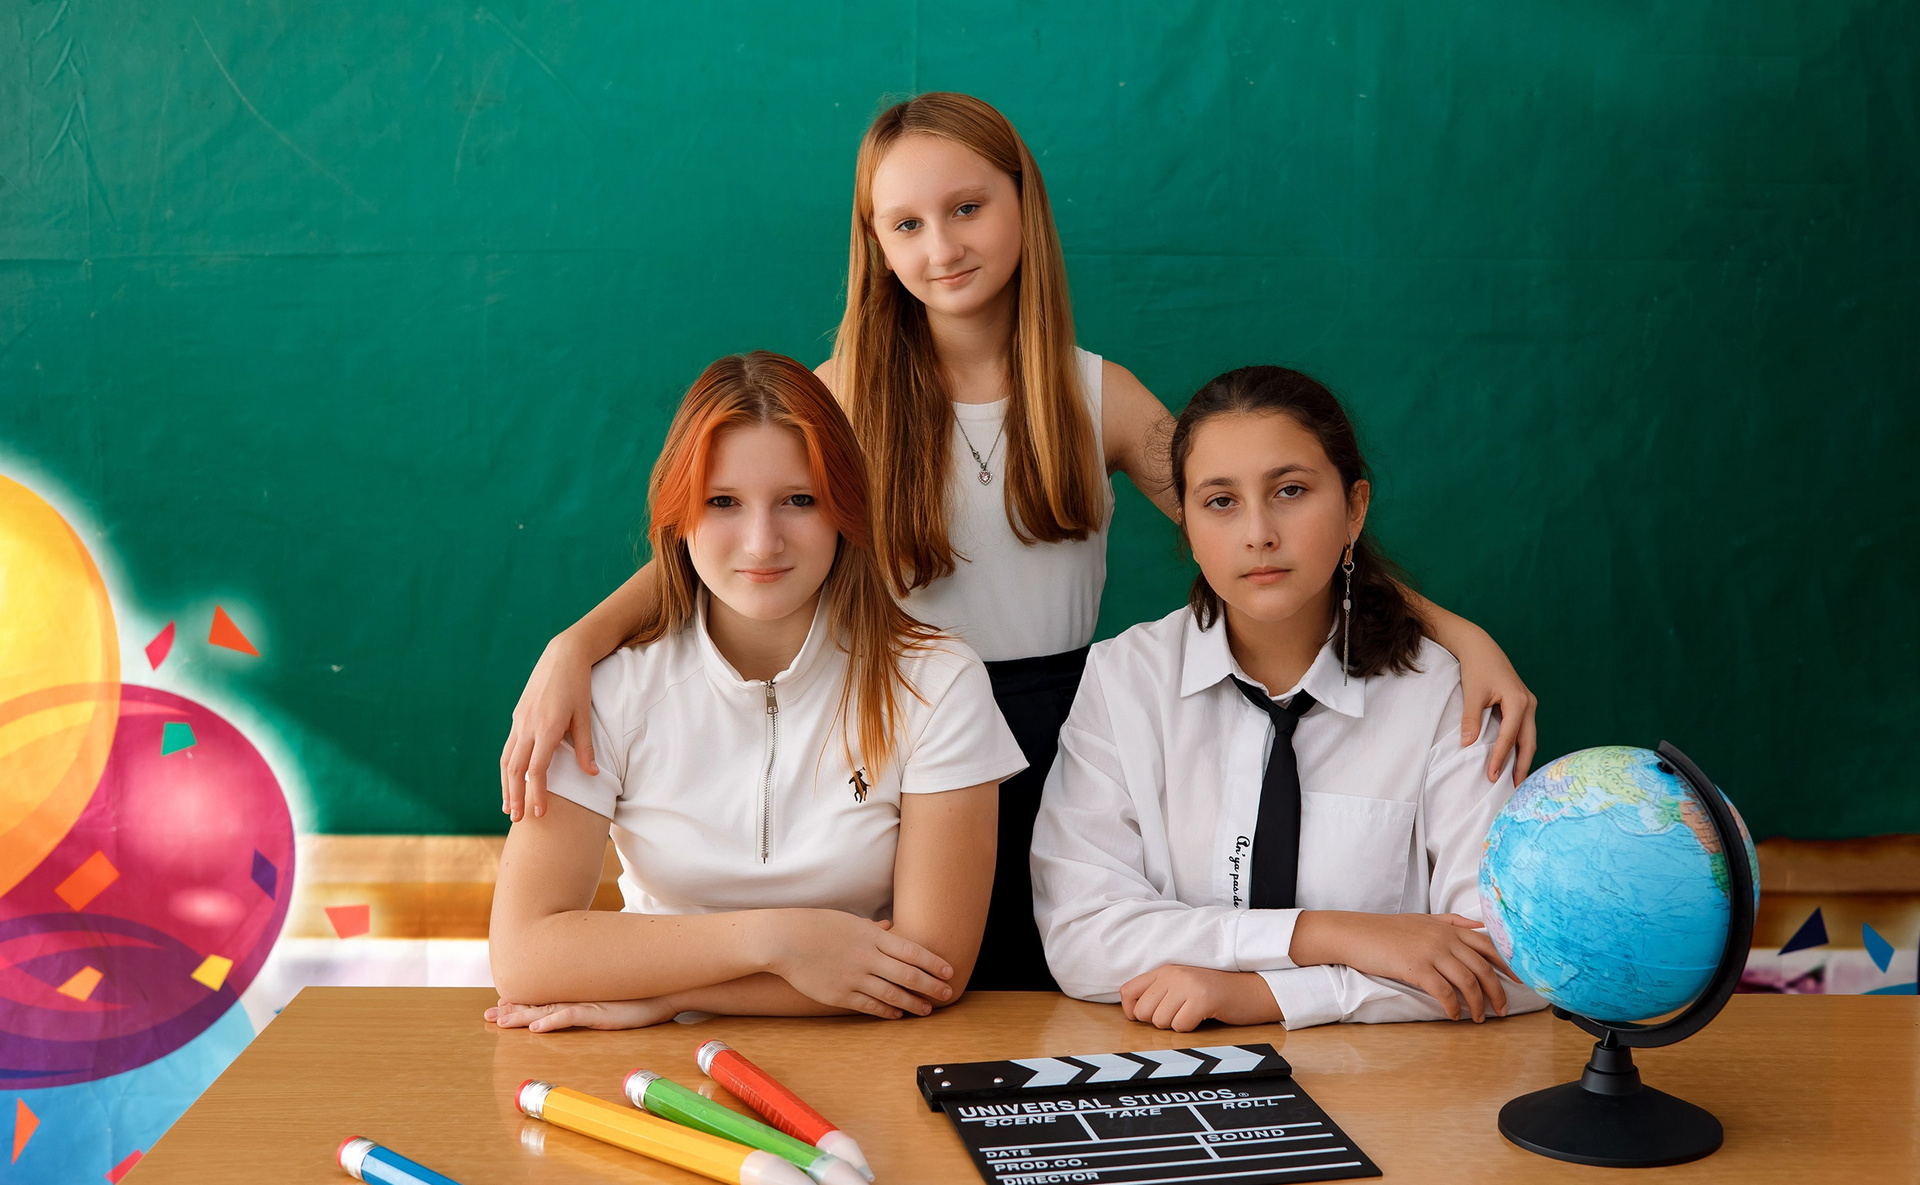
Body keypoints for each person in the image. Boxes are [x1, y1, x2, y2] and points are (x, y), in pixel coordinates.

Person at [499, 93, 1539, 992]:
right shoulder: (839, 396)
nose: (941, 247)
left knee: (1051, 1003)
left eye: (967, 208)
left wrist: (1456, 633)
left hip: (1065, 734)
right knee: (918, 990)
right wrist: (575, 645)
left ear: (1023, 204)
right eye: (906, 224)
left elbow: (1257, 535)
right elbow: (728, 545)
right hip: (900, 731)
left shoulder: (1098, 394)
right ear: (874, 242)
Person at [485, 352, 1026, 1032]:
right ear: (679, 515)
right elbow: (525, 956)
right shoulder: (604, 689)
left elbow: (931, 969)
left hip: (870, 1055)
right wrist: (777, 942)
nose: (763, 542)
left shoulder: (939, 683)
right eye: (723, 503)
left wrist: (669, 996)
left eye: (799, 500)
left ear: (844, 509)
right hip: (652, 1061)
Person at [1030, 365, 1547, 1031]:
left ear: (1354, 508)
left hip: (1393, 1079)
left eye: (1291, 491)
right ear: (1185, 523)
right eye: (1221, 502)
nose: (1258, 533)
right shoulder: (1125, 680)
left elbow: (1507, 965)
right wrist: (1332, 935)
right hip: (1179, 1072)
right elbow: (1082, 935)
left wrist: (1260, 997)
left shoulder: (1444, 695)